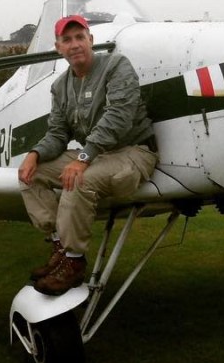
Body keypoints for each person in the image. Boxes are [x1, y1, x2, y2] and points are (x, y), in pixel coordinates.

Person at [17, 15, 158, 296]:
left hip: (133, 152)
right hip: (95, 156)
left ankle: (73, 263)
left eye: (80, 37)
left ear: (91, 40)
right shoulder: (60, 87)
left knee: (78, 181)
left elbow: (119, 117)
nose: (75, 44)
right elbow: (57, 133)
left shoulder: (117, 66)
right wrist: (34, 153)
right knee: (29, 175)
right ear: (58, 47)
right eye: (67, 40)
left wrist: (83, 159)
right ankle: (59, 245)